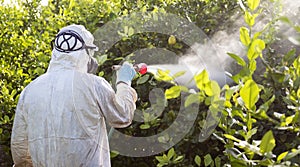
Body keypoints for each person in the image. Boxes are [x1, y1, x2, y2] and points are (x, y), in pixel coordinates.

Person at [10, 24, 137, 167]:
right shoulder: (94, 85)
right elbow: (123, 115)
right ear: (85, 52)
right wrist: (124, 82)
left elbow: (20, 152)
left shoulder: (30, 91)